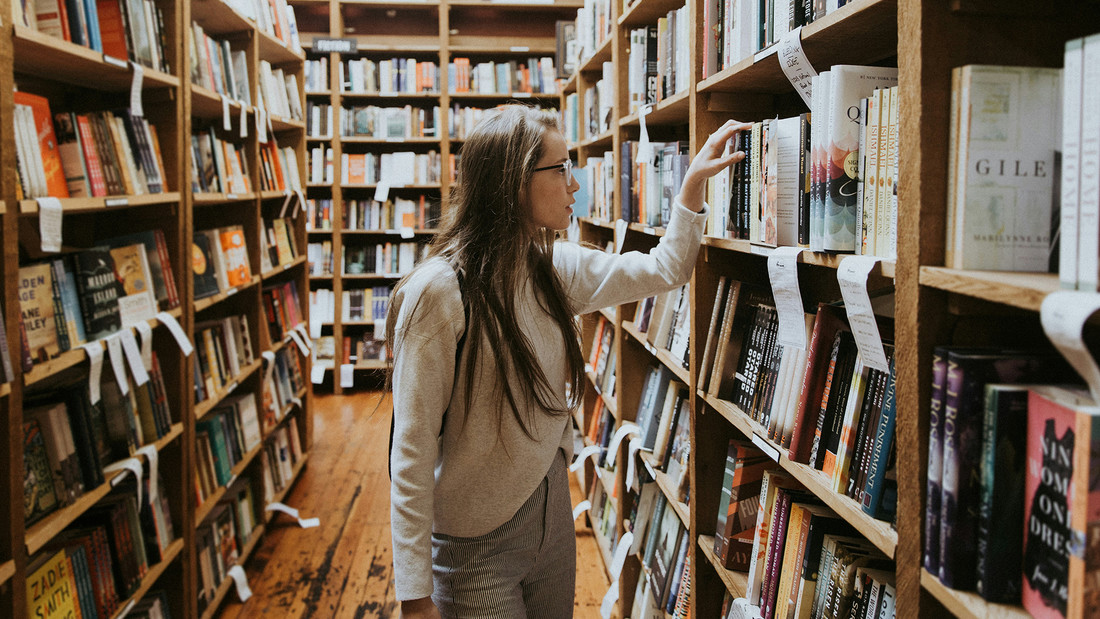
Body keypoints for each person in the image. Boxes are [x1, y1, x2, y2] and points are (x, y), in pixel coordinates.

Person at [387, 105, 748, 619]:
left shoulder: (554, 268)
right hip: (473, 545)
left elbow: (665, 268)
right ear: (515, 183)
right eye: (560, 169)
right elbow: (412, 448)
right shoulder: (439, 294)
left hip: (550, 513)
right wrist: (414, 593)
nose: (575, 183)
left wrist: (689, 191)